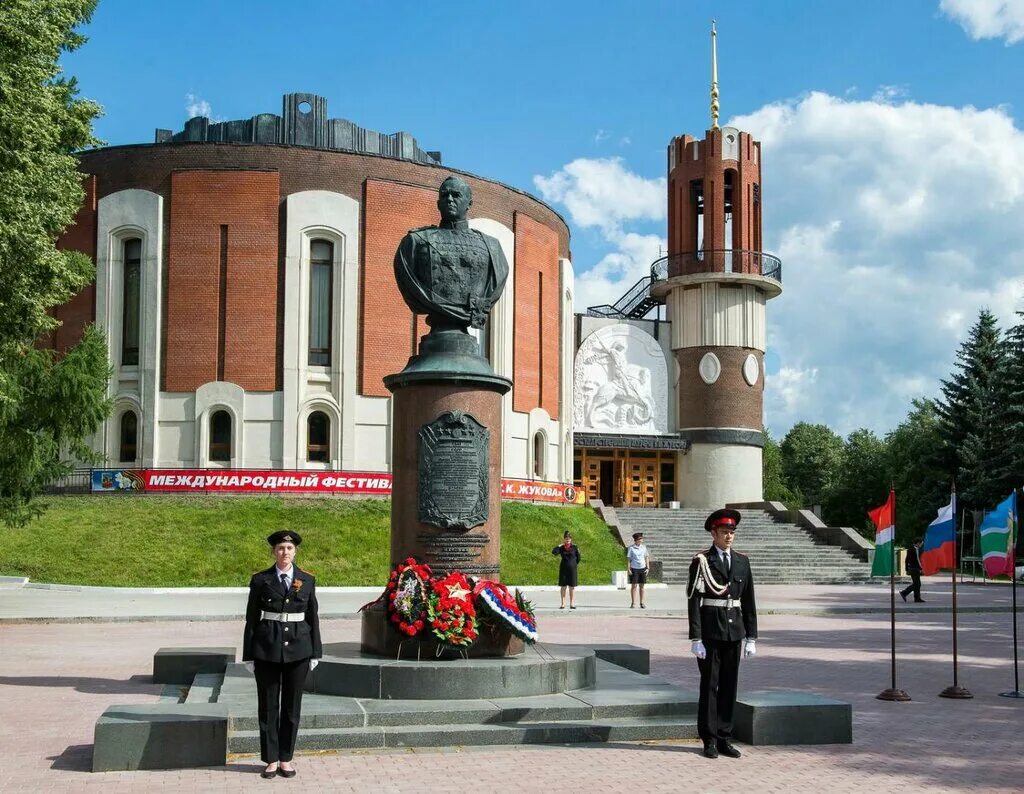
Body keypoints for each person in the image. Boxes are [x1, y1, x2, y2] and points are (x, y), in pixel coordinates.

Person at [243, 530, 322, 779]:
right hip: (266, 649)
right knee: (267, 705)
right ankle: (270, 759)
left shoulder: (307, 580)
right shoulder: (260, 580)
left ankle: (286, 758)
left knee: (291, 706)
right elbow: (251, 619)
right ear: (273, 552)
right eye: (280, 548)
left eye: (288, 548)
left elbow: (313, 617)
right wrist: (248, 654)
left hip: (298, 650)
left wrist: (315, 652)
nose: (284, 553)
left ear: (295, 552)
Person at [687, 508, 758, 760]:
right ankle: (709, 739)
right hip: (710, 632)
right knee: (710, 686)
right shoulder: (702, 561)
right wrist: (695, 638)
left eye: (732, 532)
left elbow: (748, 600)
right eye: (724, 532)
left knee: (730, 685)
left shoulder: (742, 561)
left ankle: (725, 737)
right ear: (713, 533)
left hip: (734, 631)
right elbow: (694, 601)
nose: (729, 536)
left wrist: (751, 636)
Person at [552, 531, 581, 609]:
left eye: (569, 538)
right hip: (563, 570)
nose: (567, 540)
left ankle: (572, 604)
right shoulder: (561, 548)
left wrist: (573, 564)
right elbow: (554, 552)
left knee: (572, 587)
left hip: (572, 570)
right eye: (566, 538)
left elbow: (578, 558)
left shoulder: (575, 547)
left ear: (571, 539)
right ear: (564, 539)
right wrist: (559, 545)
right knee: (563, 587)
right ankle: (563, 604)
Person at [626, 531, 650, 608]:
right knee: (634, 586)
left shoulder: (644, 547)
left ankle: (642, 603)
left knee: (642, 586)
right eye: (640, 538)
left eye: (642, 538)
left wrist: (648, 568)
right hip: (634, 569)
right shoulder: (631, 548)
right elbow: (629, 559)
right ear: (636, 540)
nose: (642, 540)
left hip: (642, 568)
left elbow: (646, 557)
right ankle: (633, 603)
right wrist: (628, 569)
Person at [901, 537, 925, 603]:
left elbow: (906, 559)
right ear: (918, 543)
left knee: (917, 584)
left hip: (911, 568)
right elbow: (918, 560)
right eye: (921, 544)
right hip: (915, 569)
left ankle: (917, 598)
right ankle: (904, 593)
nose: (921, 546)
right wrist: (921, 568)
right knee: (917, 584)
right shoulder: (915, 549)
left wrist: (906, 569)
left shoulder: (910, 548)